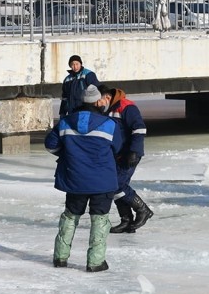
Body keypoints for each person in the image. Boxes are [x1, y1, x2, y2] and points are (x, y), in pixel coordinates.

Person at [45, 84, 122, 272]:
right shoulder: (110, 125)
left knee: (70, 216)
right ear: (97, 101)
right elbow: (117, 148)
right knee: (100, 219)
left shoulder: (65, 122)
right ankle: (95, 262)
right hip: (102, 181)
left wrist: (68, 155)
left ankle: (60, 257)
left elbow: (50, 145)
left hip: (75, 179)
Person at [99, 85, 153, 233]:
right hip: (116, 154)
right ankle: (126, 220)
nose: (98, 104)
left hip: (129, 154)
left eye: (99, 100)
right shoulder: (108, 110)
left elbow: (139, 129)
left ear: (107, 97)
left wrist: (134, 151)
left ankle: (143, 210)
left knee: (117, 184)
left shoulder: (127, 107)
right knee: (114, 186)